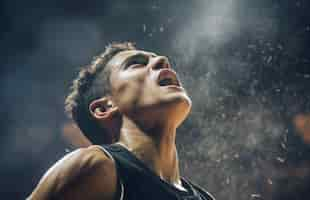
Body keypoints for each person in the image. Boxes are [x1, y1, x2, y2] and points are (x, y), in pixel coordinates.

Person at [28, 42, 215, 200]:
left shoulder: (204, 197)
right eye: (136, 64)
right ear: (104, 108)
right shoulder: (98, 166)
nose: (162, 61)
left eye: (158, 60)